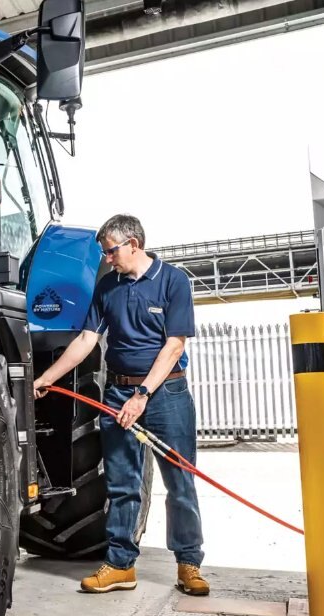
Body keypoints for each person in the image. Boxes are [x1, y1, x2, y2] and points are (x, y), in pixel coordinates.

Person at [32, 214, 209, 596]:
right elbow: (86, 340)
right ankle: (120, 565)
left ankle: (189, 564)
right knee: (123, 483)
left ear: (134, 243)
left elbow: (175, 345)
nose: (107, 258)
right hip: (117, 394)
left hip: (165, 396)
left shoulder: (173, 281)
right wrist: (48, 377)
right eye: (104, 252)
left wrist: (142, 395)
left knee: (180, 483)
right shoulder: (107, 287)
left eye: (111, 251)